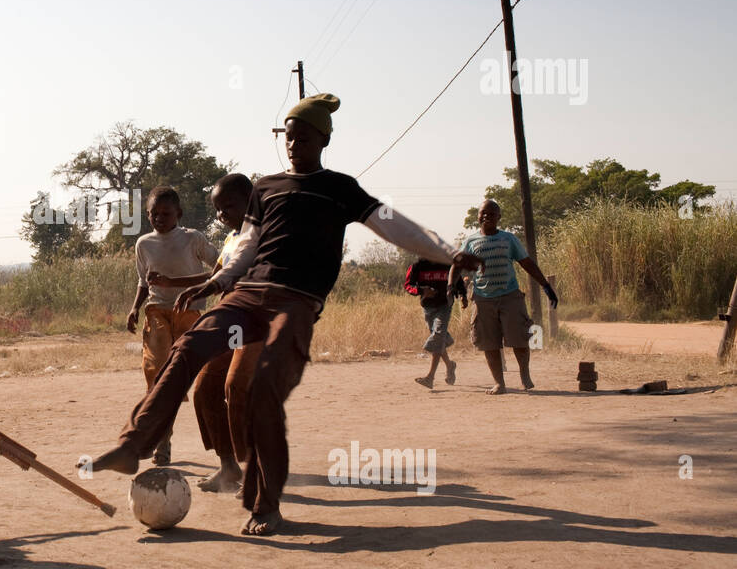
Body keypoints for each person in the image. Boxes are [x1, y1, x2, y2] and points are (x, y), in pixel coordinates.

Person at [86, 93, 484, 536]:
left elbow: (395, 225)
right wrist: (216, 283)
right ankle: (132, 444)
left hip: (295, 302)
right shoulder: (266, 188)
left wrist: (449, 253)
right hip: (247, 295)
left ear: (324, 138)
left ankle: (265, 506)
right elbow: (248, 246)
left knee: (262, 392)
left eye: (303, 137)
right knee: (188, 347)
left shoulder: (341, 189)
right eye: (288, 137)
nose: (293, 145)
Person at [162, 173, 262, 494]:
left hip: (255, 323)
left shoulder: (261, 236)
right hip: (226, 324)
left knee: (237, 387)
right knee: (205, 388)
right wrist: (180, 285)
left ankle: (255, 469)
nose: (221, 215)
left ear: (250, 201)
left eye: (228, 206)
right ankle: (228, 466)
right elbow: (215, 275)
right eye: (217, 209)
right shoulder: (233, 240)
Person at [126, 186, 220, 466]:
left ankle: (220, 447)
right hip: (157, 312)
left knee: (179, 377)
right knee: (155, 376)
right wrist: (134, 308)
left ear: (178, 213)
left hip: (188, 312)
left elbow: (220, 269)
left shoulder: (193, 239)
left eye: (165, 213)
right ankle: (161, 443)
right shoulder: (143, 244)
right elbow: (144, 282)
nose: (159, 218)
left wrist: (175, 284)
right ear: (147, 215)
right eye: (154, 214)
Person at [450, 199, 558, 395]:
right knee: (489, 343)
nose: (487, 217)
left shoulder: (509, 239)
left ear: (499, 217)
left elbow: (526, 263)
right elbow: (457, 267)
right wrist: (452, 287)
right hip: (483, 299)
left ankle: (524, 373)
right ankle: (499, 382)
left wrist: (545, 285)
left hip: (510, 296)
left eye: (492, 214)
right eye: (483, 213)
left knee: (519, 338)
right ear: (478, 216)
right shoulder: (471, 242)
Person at [405, 258, 467, 389]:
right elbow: (408, 285)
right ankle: (450, 365)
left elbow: (458, 279)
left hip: (445, 304)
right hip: (428, 307)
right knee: (439, 338)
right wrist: (422, 290)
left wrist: (463, 295)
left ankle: (430, 377)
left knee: (438, 335)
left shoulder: (446, 263)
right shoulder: (418, 265)